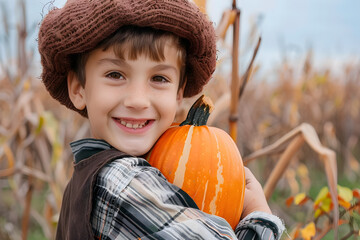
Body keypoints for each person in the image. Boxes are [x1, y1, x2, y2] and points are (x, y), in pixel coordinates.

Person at [38, 0, 285, 239]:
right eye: (115, 74)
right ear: (79, 88)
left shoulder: (86, 182)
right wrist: (258, 215)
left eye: (159, 78)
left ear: (179, 93)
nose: (138, 100)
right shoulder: (121, 185)